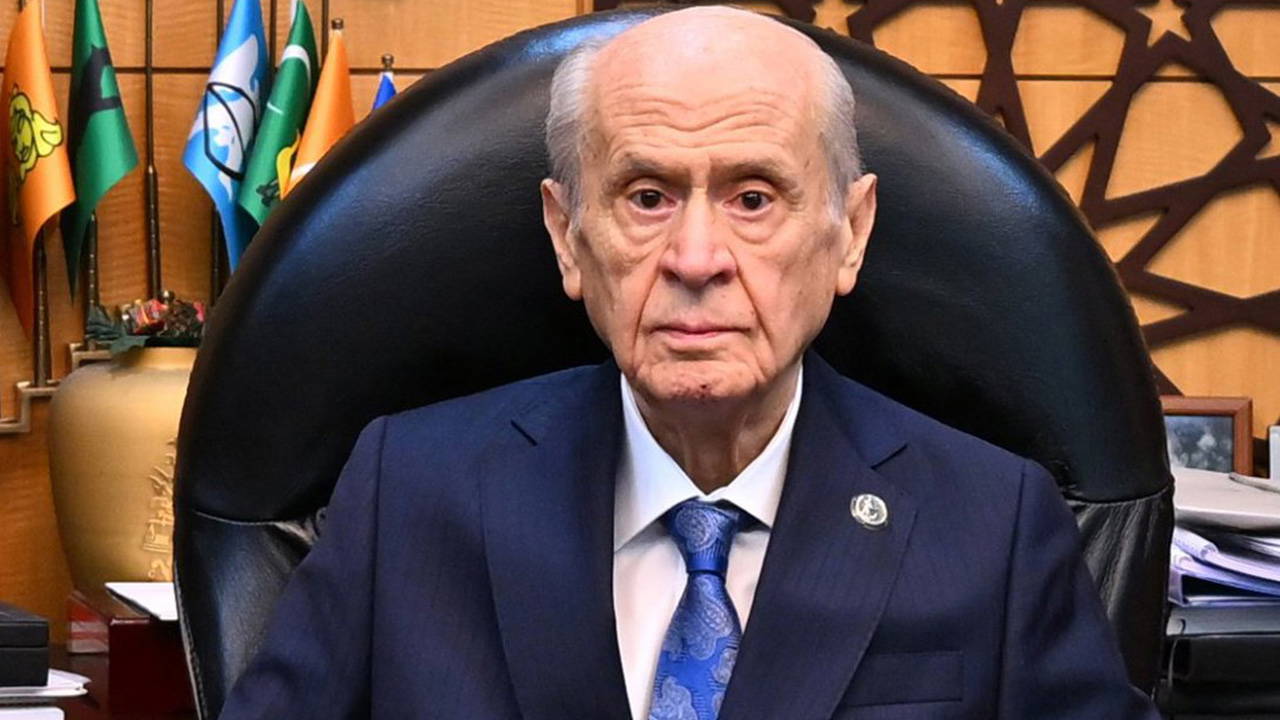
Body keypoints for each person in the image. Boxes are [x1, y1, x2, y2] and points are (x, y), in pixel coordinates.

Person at [217, 6, 1162, 719]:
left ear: (850, 233)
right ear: (568, 236)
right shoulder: (407, 495)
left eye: (754, 198)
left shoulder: (994, 525)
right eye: (646, 196)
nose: (697, 258)